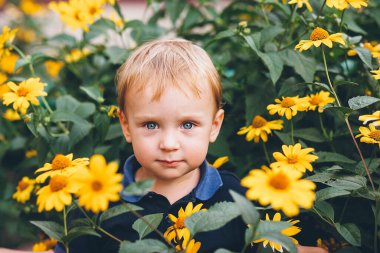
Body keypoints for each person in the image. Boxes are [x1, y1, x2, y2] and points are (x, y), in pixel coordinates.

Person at [0, 39, 327, 253]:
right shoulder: (100, 202)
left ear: (214, 126)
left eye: (188, 125)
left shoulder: (237, 199)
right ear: (125, 125)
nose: (169, 144)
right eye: (151, 125)